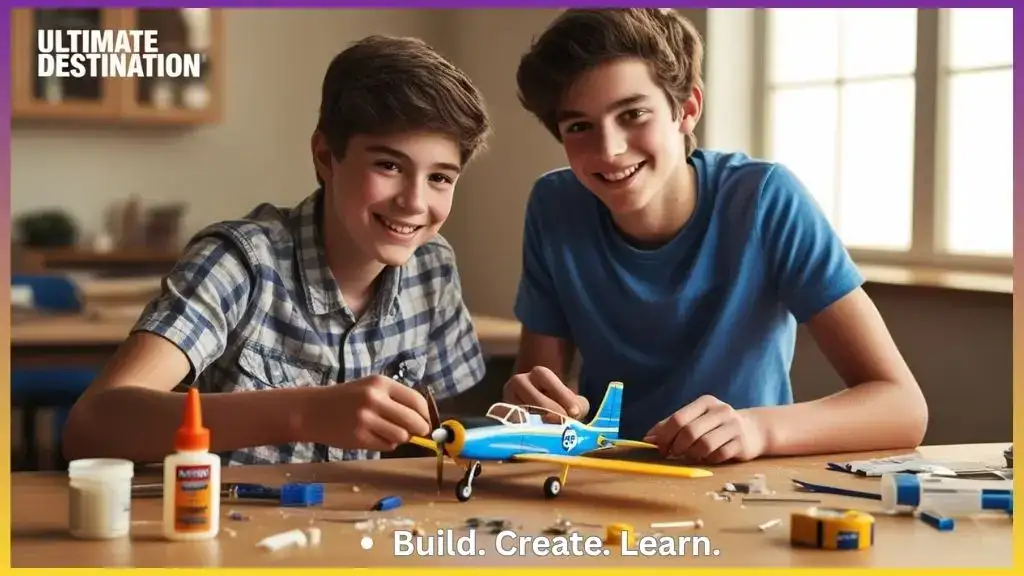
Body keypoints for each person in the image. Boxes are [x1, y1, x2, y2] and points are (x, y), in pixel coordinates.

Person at [504, 8, 927, 464]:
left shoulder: (764, 199)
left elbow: (902, 406)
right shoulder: (554, 206)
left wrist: (758, 429)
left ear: (687, 109)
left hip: (744, 479)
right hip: (605, 478)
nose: (609, 150)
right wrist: (528, 407)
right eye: (579, 126)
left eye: (633, 114)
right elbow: (539, 397)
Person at [62, 35, 492, 466]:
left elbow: (448, 430)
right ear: (325, 156)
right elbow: (92, 426)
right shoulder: (238, 263)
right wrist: (304, 413)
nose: (415, 202)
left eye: (440, 178)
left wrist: (516, 418)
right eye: (389, 165)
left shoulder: (432, 267)